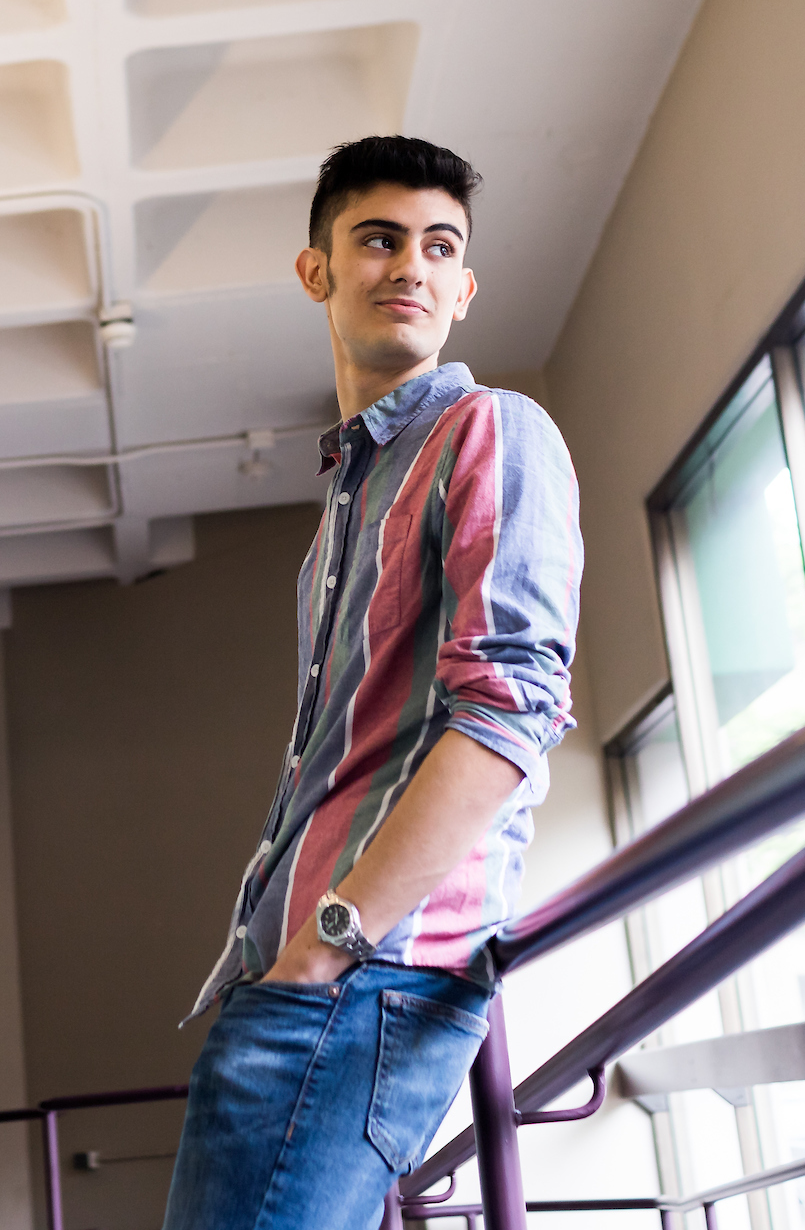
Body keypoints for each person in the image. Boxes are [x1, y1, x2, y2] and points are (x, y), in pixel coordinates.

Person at [160, 136, 582, 1230]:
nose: (412, 265)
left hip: (362, 975)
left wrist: (333, 939)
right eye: (379, 239)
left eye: (439, 246)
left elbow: (509, 710)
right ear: (318, 270)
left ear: (464, 287)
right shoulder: (350, 503)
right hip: (297, 978)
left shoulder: (492, 430)